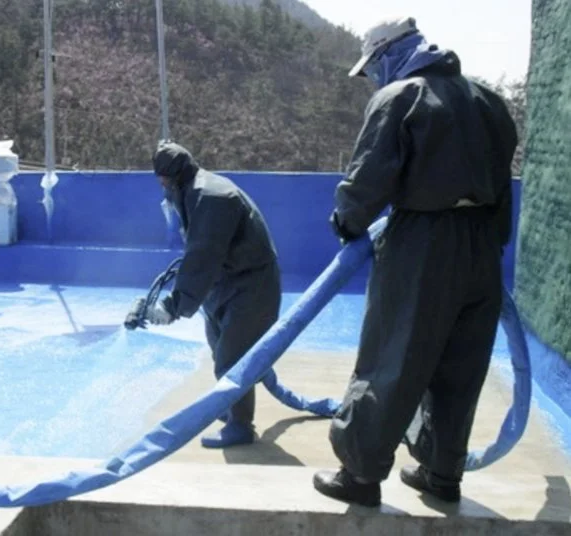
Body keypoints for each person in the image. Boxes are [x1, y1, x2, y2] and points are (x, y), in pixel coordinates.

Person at [312, 16, 518, 507]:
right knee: (461, 364)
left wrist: (347, 222)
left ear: (389, 54)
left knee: (392, 356)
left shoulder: (401, 97)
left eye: (372, 68)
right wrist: (490, 245)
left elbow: (369, 177)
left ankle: (360, 475)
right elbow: (502, 185)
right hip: (482, 248)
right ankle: (442, 474)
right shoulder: (488, 101)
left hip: (423, 242)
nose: (373, 79)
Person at [145, 140, 282, 448]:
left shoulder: (211, 197)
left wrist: (174, 305)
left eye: (163, 180)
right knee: (219, 348)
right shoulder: (190, 191)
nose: (161, 186)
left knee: (233, 357)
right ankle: (230, 405)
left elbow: (203, 255)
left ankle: (240, 426)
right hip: (226, 282)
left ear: (174, 176)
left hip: (251, 284)